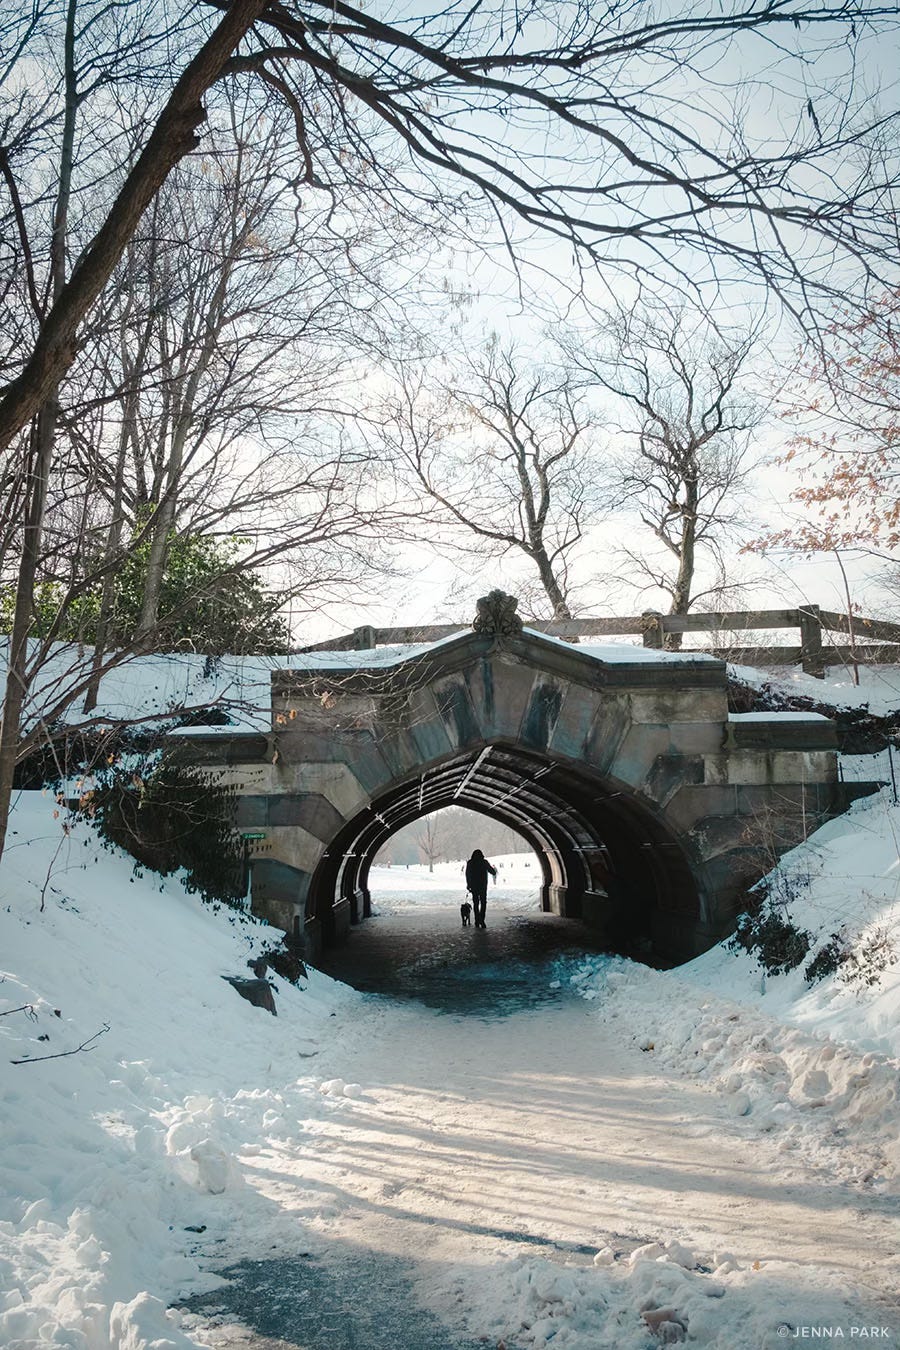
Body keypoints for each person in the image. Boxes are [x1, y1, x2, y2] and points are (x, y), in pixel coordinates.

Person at [465, 848, 497, 928]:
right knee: (483, 903)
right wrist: (492, 868)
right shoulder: (484, 862)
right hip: (483, 886)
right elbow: (493, 872)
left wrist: (469, 885)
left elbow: (467, 875)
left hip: (474, 886)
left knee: (476, 903)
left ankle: (477, 920)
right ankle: (482, 920)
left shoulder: (470, 863)